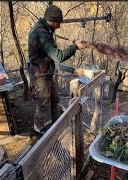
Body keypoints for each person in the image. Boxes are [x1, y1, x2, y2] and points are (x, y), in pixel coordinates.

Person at [28, 5, 86, 135]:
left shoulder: (43, 29)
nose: (59, 26)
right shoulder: (42, 34)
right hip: (40, 76)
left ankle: (57, 123)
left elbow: (49, 47)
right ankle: (38, 130)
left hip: (45, 73)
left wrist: (73, 42)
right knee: (43, 105)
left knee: (55, 100)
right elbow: (58, 56)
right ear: (52, 21)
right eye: (58, 23)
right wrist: (75, 47)